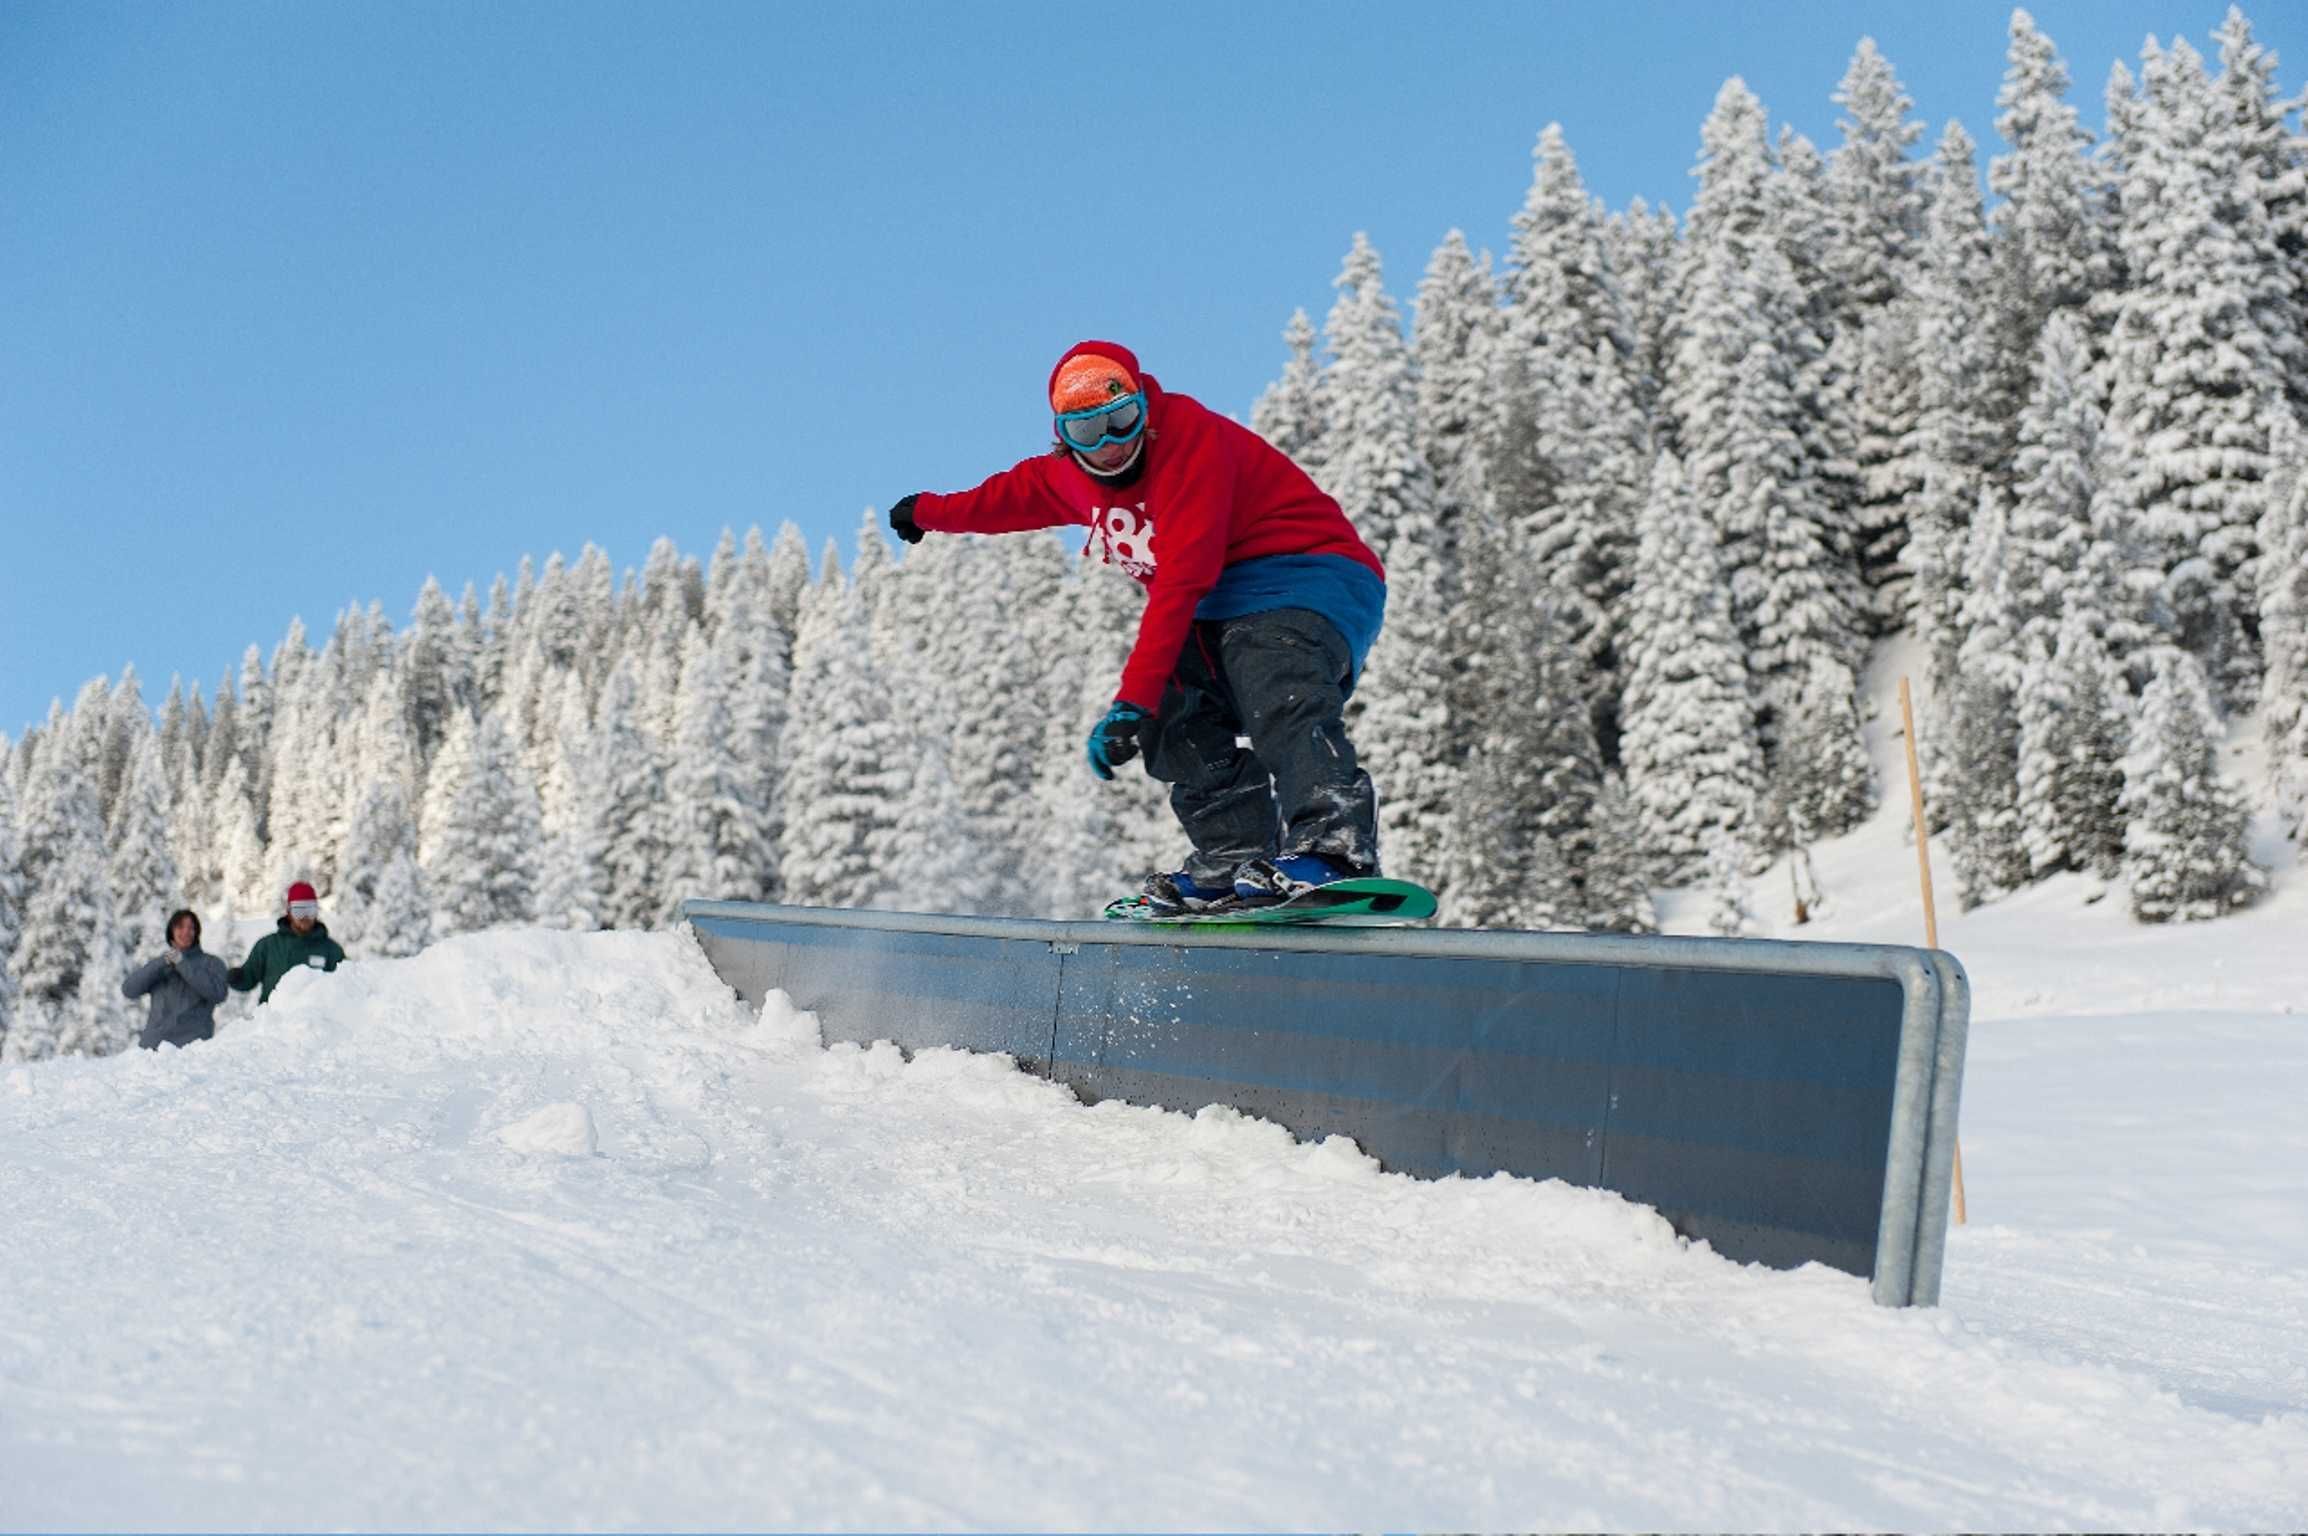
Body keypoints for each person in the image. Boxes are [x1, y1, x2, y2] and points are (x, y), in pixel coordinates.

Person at [888, 340, 1387, 913]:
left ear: (1143, 410)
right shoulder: (1066, 477)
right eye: (1086, 432)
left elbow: (1182, 581)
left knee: (1272, 673)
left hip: (1309, 574)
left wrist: (1129, 700)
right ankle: (1233, 853)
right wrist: (926, 511)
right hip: (1218, 606)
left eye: (1121, 421)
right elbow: (1000, 500)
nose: (1109, 445)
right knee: (1170, 712)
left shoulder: (1190, 443)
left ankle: (1334, 846)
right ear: (1063, 438)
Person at [122, 908, 231, 1050]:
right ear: (171, 932)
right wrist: (162, 962)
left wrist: (183, 964)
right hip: (152, 1049)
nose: (186, 932)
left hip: (192, 1049)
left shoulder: (211, 963)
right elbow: (129, 990)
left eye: (191, 928)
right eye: (180, 927)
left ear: (196, 932)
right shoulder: (161, 965)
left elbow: (219, 994)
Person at [228, 881, 346, 1004]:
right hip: (274, 1014)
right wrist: (236, 977)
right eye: (298, 911)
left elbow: (346, 986)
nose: (305, 917)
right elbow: (249, 978)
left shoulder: (331, 950)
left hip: (315, 1015)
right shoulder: (268, 946)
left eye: (310, 910)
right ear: (289, 913)